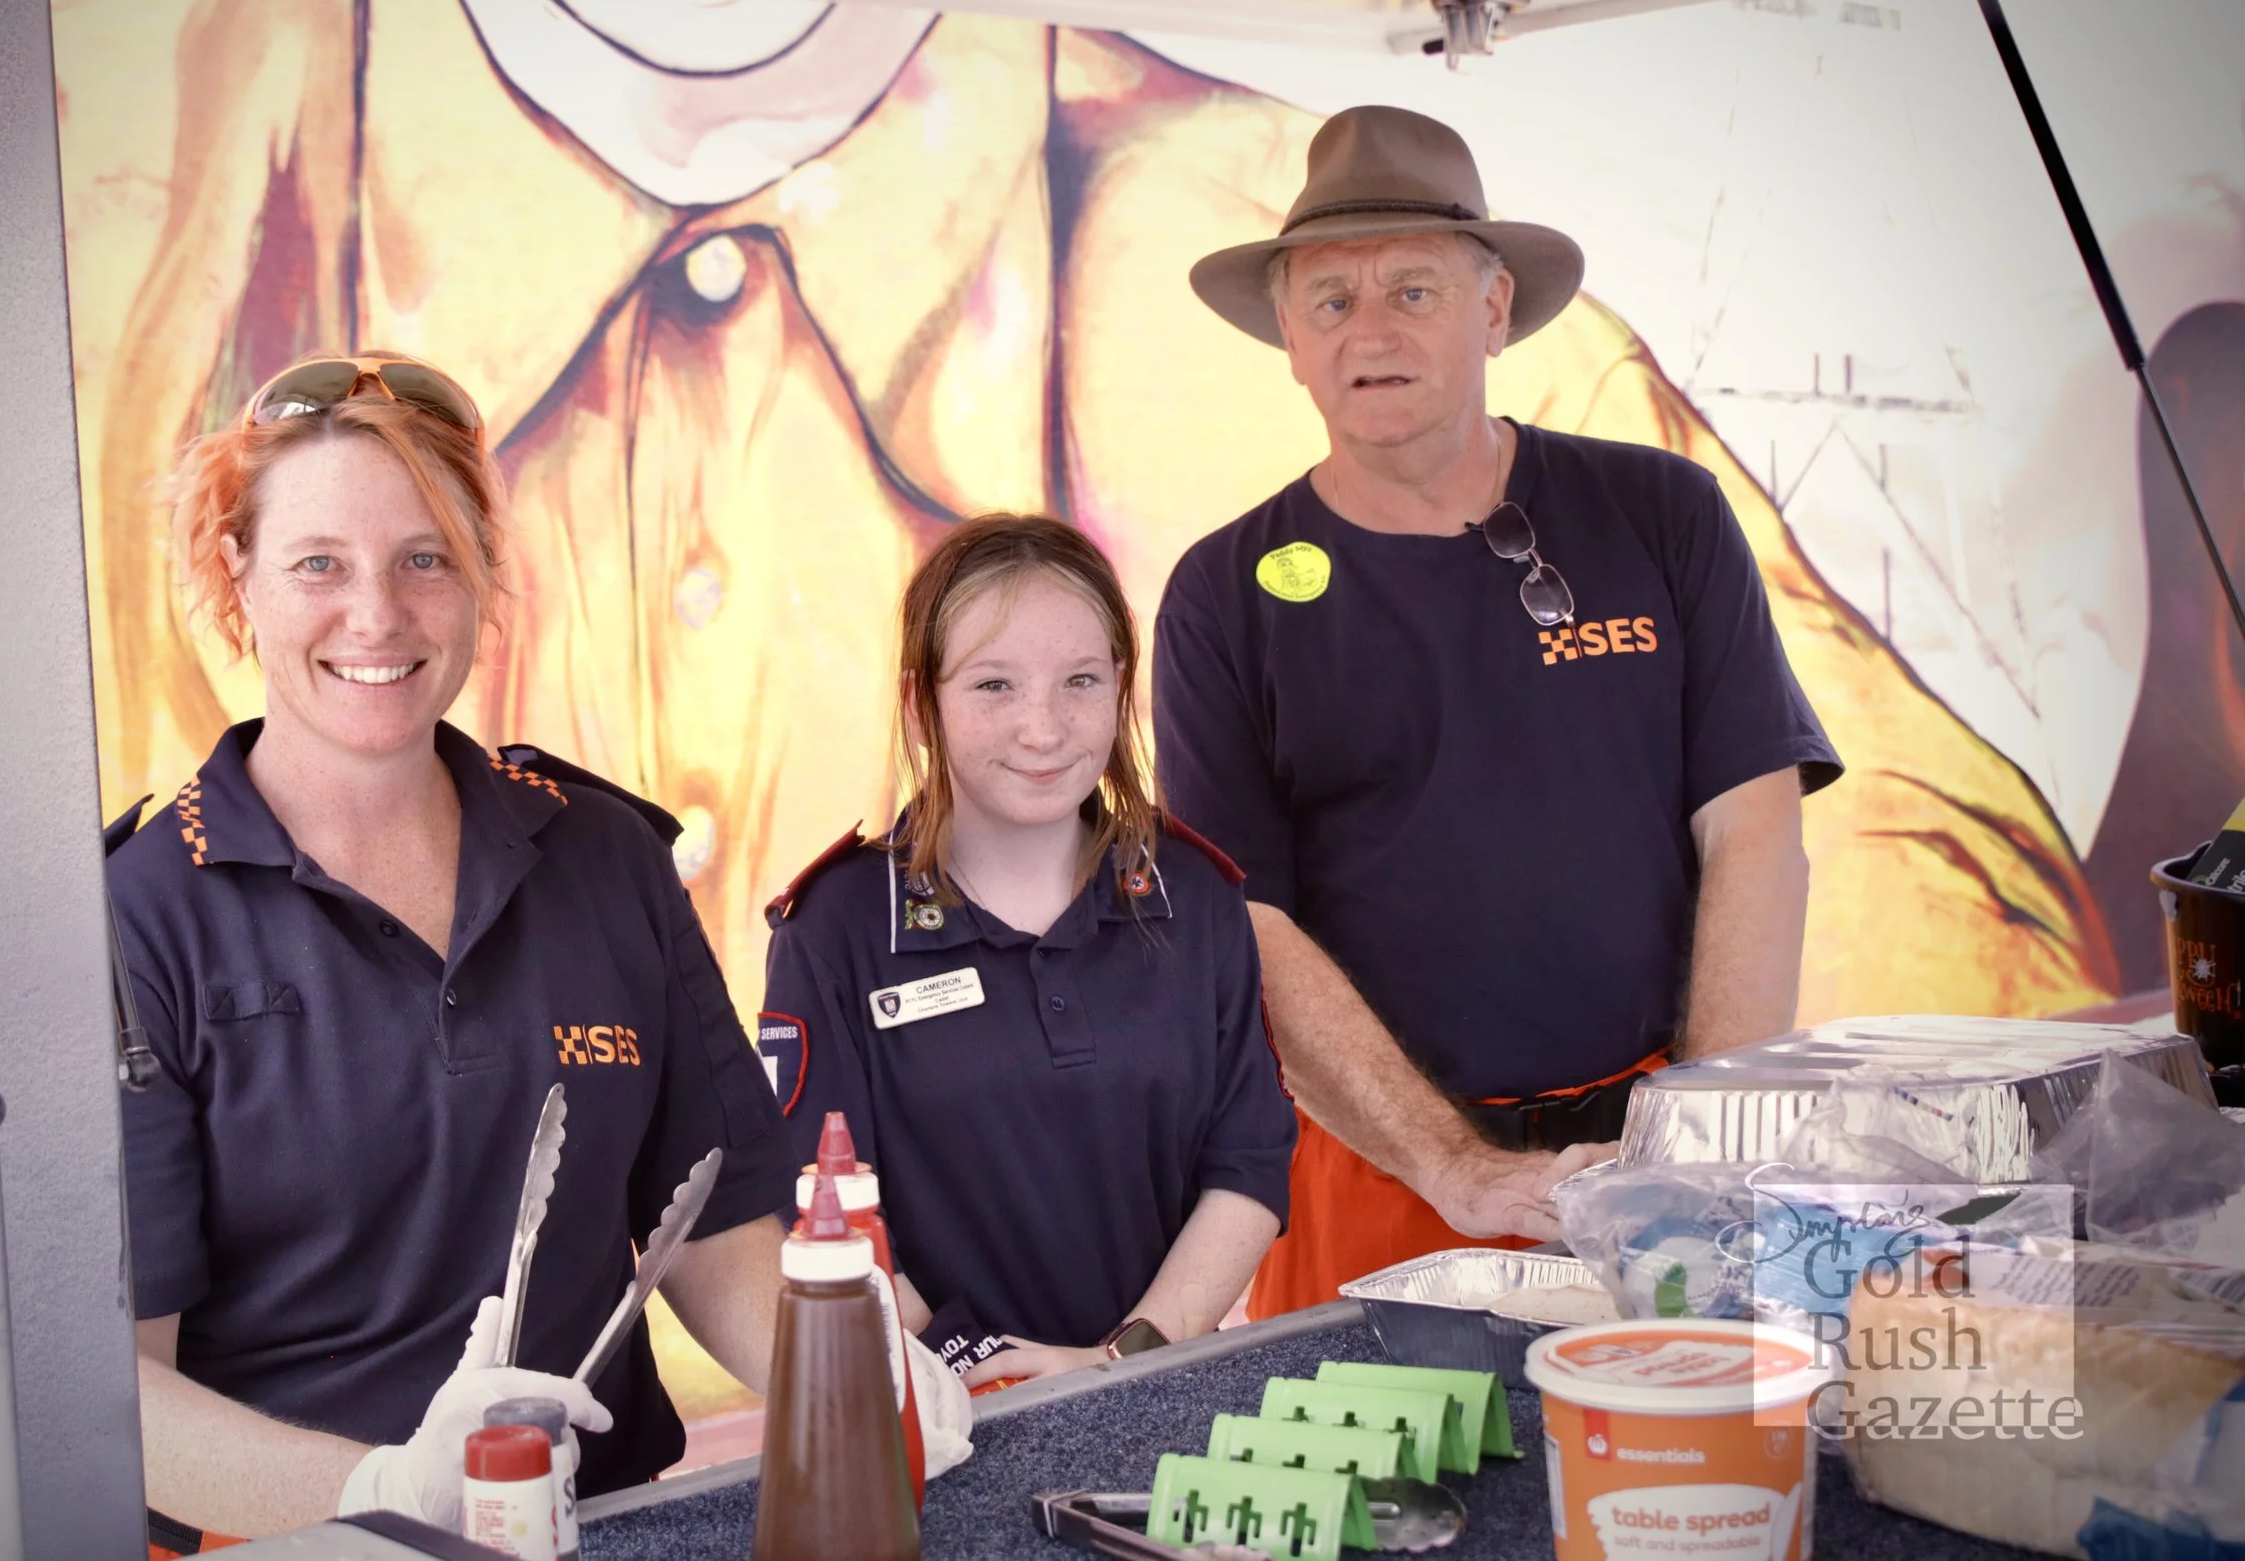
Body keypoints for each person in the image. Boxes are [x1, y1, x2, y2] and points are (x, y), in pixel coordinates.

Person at [1155, 107, 1843, 1317]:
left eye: (1413, 289)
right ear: (1289, 339)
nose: (1369, 331)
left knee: (1669, 1479)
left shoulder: (1661, 513)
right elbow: (1241, 921)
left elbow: (1755, 830)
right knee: (1383, 1496)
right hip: (1377, 1171)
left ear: (1493, 306)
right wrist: (1455, 1167)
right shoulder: (1223, 591)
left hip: (1652, 1160)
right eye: (1330, 301)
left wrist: (1708, 1134)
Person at [108, 354, 798, 1546]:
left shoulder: (605, 855)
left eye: (425, 557)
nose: (376, 614)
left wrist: (865, 1386)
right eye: (318, 562)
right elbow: (112, 1389)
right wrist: (384, 1495)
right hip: (303, 1540)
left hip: (608, 1526)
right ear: (239, 574)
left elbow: (719, 1230)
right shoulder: (137, 916)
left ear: (480, 573)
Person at [760, 514, 1295, 1383]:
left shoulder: (1194, 897)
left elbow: (1250, 1164)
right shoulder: (838, 928)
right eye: (994, 686)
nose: (1043, 729)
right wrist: (990, 1375)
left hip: (1151, 1384)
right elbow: (820, 1209)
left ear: (1122, 689)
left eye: (1080, 680)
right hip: (933, 1409)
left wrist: (1120, 1362)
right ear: (918, 704)